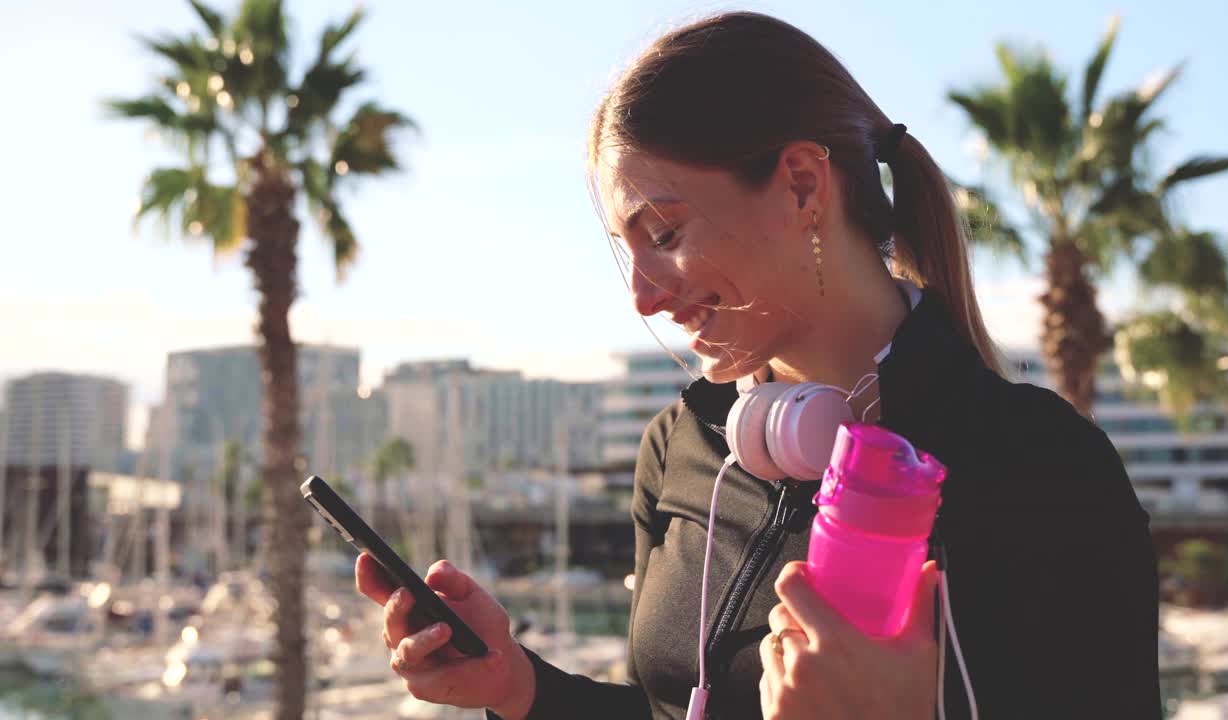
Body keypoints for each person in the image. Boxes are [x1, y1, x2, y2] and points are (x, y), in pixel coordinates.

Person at [356, 11, 1161, 719]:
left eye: (664, 234)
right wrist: (521, 690)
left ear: (804, 185)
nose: (642, 297)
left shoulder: (1042, 466)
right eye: (625, 252)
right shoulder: (683, 446)